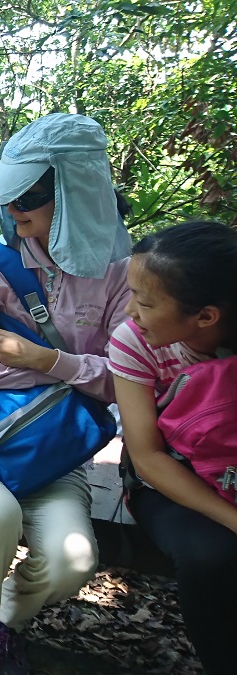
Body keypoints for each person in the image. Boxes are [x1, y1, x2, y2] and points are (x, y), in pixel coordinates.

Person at [0, 113, 133, 674]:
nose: (15, 211)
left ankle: (4, 621)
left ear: (73, 195)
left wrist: (47, 359)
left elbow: (126, 381)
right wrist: (79, 372)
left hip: (54, 454)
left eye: (31, 198)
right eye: (10, 199)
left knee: (75, 561)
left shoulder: (121, 272)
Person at [108, 221, 237, 675]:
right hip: (167, 479)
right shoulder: (135, 344)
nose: (130, 313)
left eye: (144, 302)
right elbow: (147, 456)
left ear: (206, 316)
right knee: (212, 555)